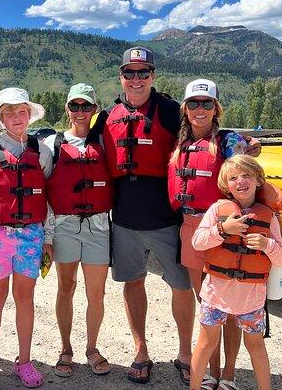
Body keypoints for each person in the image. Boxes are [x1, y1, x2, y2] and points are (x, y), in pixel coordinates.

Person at [87, 46, 194, 384]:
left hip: (166, 217)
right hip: (125, 218)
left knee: (181, 285)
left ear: (153, 76)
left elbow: (205, 135)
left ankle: (186, 353)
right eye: (129, 73)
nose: (136, 79)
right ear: (121, 77)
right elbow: (81, 147)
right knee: (133, 283)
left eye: (142, 72)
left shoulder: (171, 110)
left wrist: (238, 144)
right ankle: (140, 350)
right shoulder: (106, 116)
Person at [168, 79, 260, 388]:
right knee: (209, 306)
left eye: (206, 103)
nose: (199, 109)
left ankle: (229, 374)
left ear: (216, 108)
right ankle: (211, 370)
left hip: (229, 229)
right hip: (193, 228)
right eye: (193, 103)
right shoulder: (180, 143)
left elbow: (245, 170)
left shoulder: (230, 141)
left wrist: (251, 143)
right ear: (185, 108)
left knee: (231, 308)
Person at [0, 87, 53, 389]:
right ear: (0, 118)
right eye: (10, 113)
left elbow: (49, 198)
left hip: (31, 235)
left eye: (22, 111)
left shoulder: (42, 150)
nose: (17, 117)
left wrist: (48, 239)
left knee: (25, 298)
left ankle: (24, 360)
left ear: (29, 114)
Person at [190, 154, 282, 390]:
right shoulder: (217, 210)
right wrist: (223, 229)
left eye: (246, 175)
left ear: (257, 180)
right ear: (226, 185)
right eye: (233, 177)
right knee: (205, 344)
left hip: (251, 301)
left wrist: (267, 245)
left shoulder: (269, 217)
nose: (240, 181)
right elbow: (197, 242)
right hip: (215, 296)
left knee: (256, 348)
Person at [44, 83, 112, 377]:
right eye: (75, 106)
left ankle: (92, 348)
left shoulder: (105, 144)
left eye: (87, 106)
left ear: (95, 110)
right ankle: (65, 348)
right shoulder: (52, 145)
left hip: (98, 224)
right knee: (66, 288)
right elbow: (43, 191)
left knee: (96, 293)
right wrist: (47, 235)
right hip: (65, 224)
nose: (80, 112)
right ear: (67, 108)